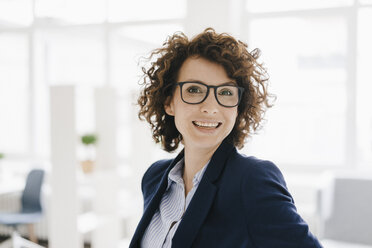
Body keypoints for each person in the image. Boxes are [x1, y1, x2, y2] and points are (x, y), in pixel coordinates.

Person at [129, 28, 322, 248]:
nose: (211, 108)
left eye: (226, 93)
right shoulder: (154, 178)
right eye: (194, 90)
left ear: (238, 107)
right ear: (168, 102)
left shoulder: (252, 180)